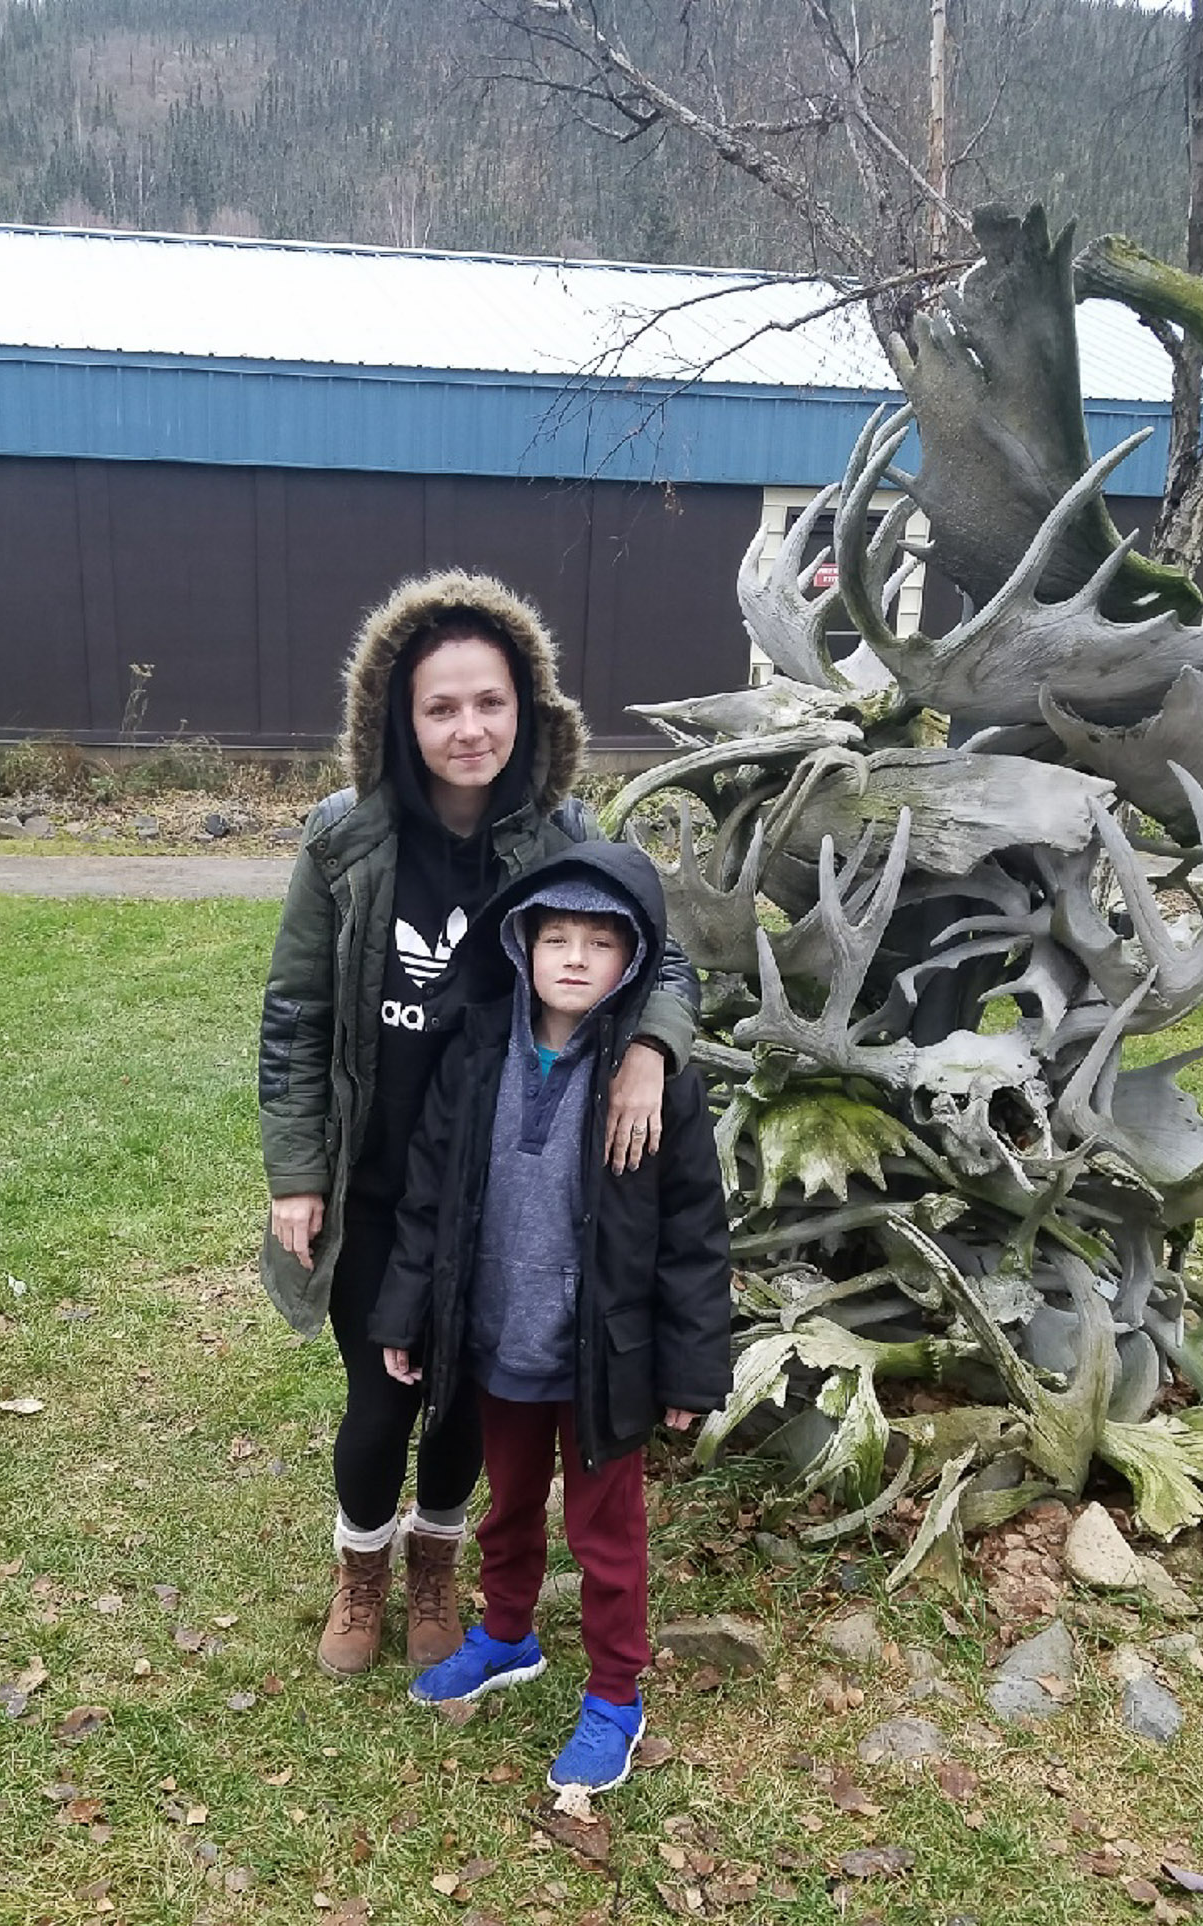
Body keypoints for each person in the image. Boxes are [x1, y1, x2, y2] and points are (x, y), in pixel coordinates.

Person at [258, 569, 701, 1678]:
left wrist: (649, 1051)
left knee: (465, 1393)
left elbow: (666, 961)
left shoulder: (564, 837)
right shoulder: (344, 842)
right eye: (441, 707)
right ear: (398, 719)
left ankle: (437, 1565)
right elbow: (296, 1012)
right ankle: (363, 1567)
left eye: (490, 702)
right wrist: (296, 1173)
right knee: (382, 1395)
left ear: (527, 708)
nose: (469, 729)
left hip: (501, 1183)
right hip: (376, 1183)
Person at [370, 840, 732, 1794]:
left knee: (605, 1532)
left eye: (601, 943)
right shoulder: (473, 1056)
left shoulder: (658, 1083)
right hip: (500, 1335)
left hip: (604, 1354)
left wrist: (692, 1369)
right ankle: (506, 1634)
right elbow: (427, 1199)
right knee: (509, 1502)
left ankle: (616, 1693)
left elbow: (695, 1235)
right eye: (557, 938)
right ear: (521, 945)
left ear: (634, 960)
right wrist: (407, 1312)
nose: (575, 959)